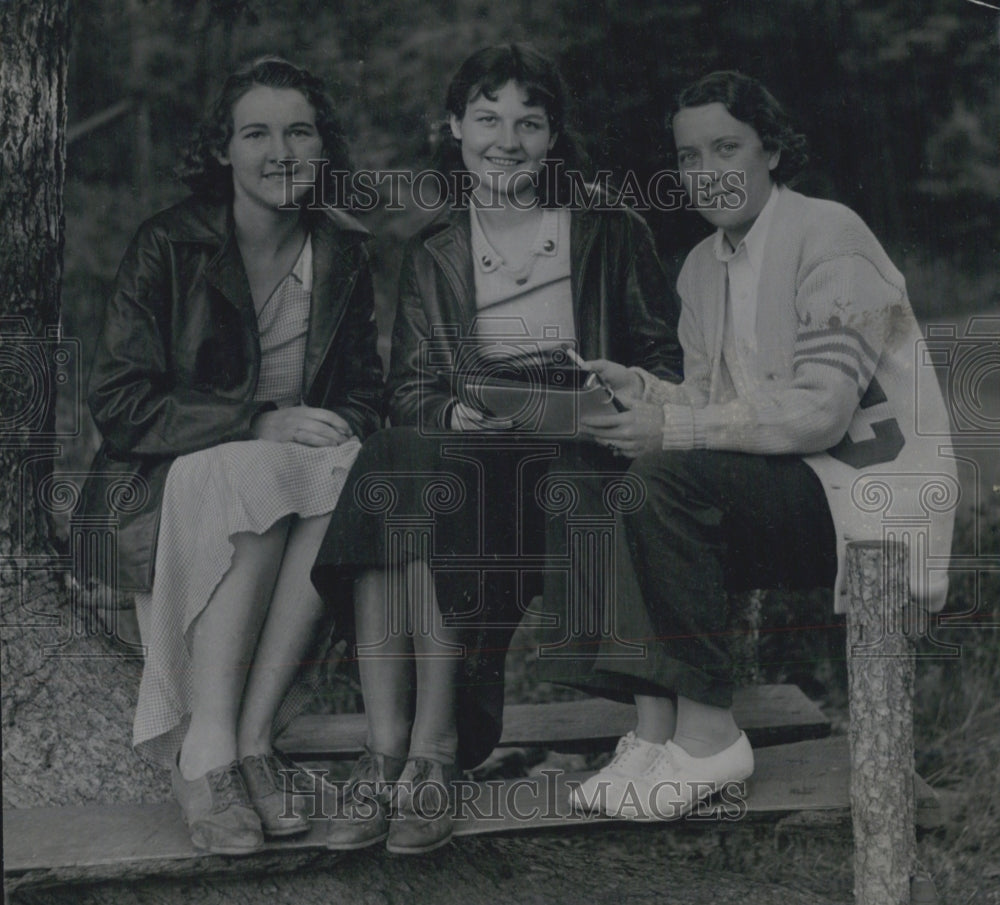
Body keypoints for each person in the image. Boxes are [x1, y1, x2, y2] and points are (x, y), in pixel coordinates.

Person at [311, 43, 682, 854]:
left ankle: (436, 754)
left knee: (421, 473)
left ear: (553, 138)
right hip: (480, 445)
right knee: (395, 459)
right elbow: (410, 388)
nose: (506, 140)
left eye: (529, 121)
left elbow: (665, 363)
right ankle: (389, 757)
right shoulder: (433, 246)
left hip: (580, 454)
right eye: (487, 118)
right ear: (455, 128)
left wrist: (620, 392)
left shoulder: (609, 229)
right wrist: (458, 414)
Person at [568, 70, 957, 821]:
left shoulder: (830, 233)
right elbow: (721, 408)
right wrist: (647, 393)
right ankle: (654, 733)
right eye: (688, 157)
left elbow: (819, 411)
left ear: (772, 150)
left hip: (865, 493)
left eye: (726, 147)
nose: (706, 173)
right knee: (601, 476)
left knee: (665, 480)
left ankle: (710, 737)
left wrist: (673, 428)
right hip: (780, 485)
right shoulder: (699, 269)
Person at [79, 56, 384, 854]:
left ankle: (249, 741)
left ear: (323, 147)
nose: (280, 150)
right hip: (160, 484)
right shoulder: (169, 244)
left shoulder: (345, 253)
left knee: (355, 470)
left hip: (288, 481)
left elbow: (363, 391)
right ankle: (206, 748)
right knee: (254, 467)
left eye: (299, 130)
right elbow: (118, 403)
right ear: (223, 150)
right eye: (256, 132)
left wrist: (328, 426)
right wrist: (256, 420)